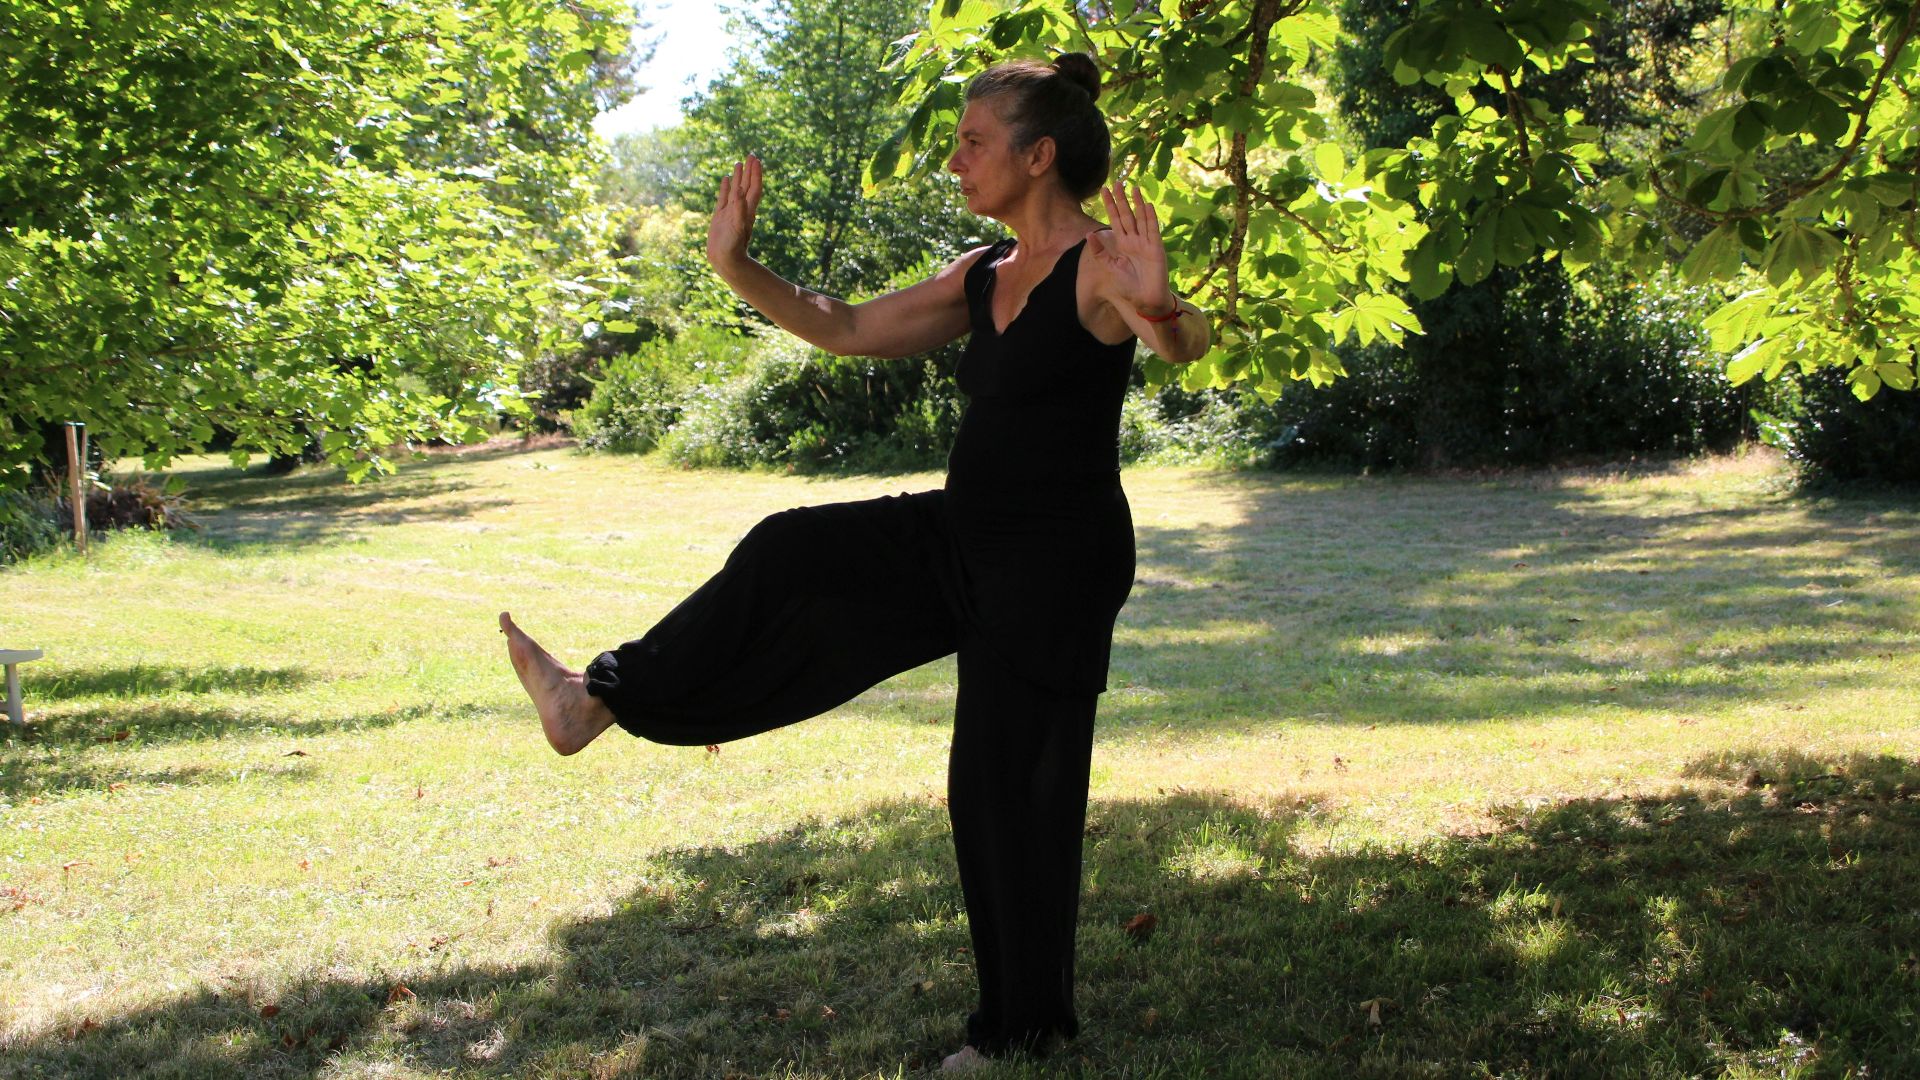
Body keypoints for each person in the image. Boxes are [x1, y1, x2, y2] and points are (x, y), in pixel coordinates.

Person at [500, 51, 1211, 1071]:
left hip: (1054, 563)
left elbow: (1180, 344)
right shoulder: (982, 273)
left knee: (1005, 790)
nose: (956, 161)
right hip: (963, 535)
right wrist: (736, 266)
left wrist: (1166, 307)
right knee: (793, 550)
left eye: (973, 142)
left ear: (1038, 155)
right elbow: (846, 326)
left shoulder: (1103, 263)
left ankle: (1021, 1031)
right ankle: (595, 700)